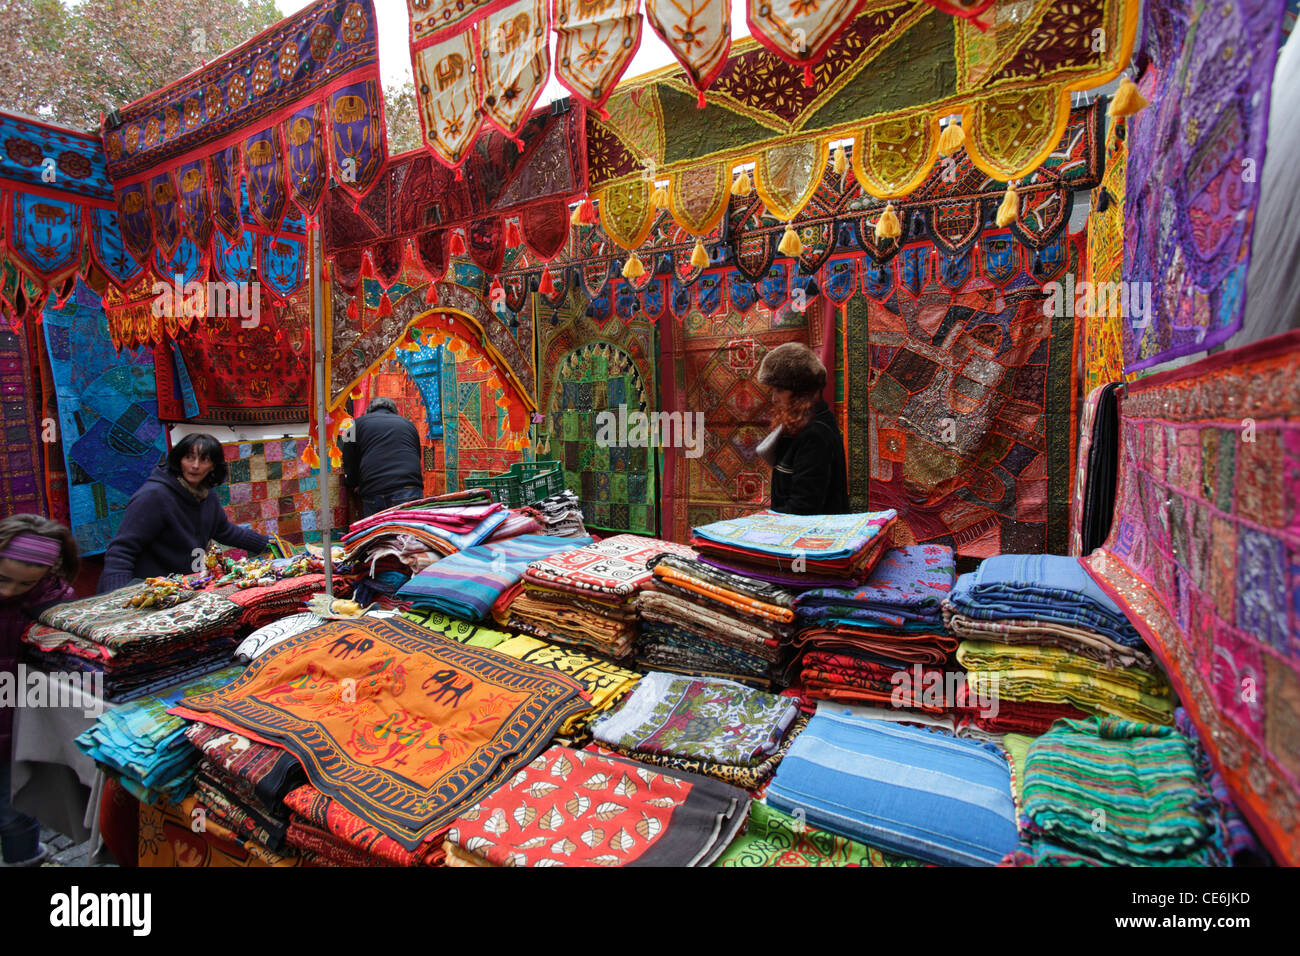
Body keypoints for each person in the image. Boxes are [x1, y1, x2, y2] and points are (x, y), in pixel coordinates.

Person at [0, 514, 79, 866]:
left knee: (14, 810)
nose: (7, 591)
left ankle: (26, 860)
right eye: (2, 579)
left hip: (15, 725)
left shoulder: (54, 606)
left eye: (23, 585)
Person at [98, 433, 270, 593]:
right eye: (189, 458)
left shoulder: (206, 495)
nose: (195, 466)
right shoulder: (154, 496)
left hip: (186, 586)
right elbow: (122, 550)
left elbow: (225, 531)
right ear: (178, 460)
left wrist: (270, 544)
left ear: (213, 466)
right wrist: (117, 595)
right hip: (151, 589)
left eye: (204, 460)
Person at [755, 342, 849, 515]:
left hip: (816, 536)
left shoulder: (815, 434)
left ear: (800, 393)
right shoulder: (800, 426)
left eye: (780, 391)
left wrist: (764, 521)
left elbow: (803, 508)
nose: (774, 398)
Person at [341, 397, 424, 518]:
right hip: (408, 487)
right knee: (409, 534)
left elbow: (348, 459)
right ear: (394, 411)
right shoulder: (409, 425)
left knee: (378, 534)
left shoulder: (352, 426)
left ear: (369, 411)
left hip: (374, 488)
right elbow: (416, 454)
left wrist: (353, 484)